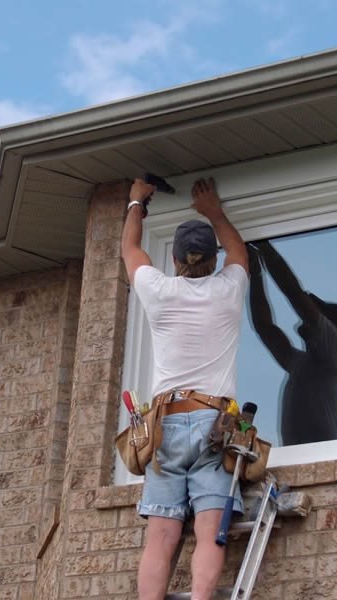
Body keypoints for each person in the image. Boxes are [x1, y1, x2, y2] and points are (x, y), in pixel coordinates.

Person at [121, 176, 249, 600]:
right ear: (212, 260)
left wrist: (136, 202)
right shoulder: (228, 290)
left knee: (161, 536)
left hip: (166, 424)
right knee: (211, 533)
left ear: (175, 260)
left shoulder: (159, 291)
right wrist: (213, 211)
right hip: (217, 423)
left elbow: (130, 251)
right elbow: (240, 251)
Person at [247, 240, 337, 445]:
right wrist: (256, 274)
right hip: (299, 458)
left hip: (322, 460)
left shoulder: (335, 347)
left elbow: (294, 293)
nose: (307, 315)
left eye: (318, 311)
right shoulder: (304, 364)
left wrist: (264, 246)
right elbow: (264, 326)